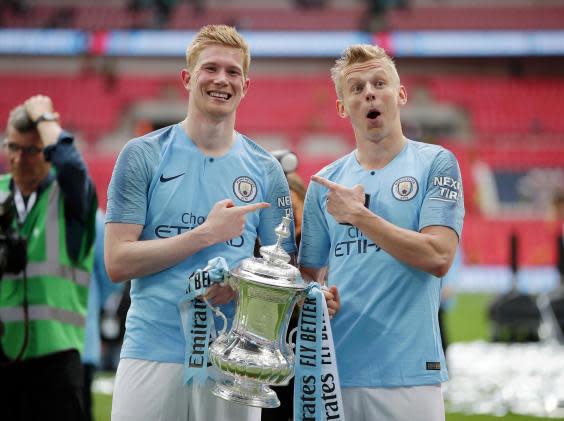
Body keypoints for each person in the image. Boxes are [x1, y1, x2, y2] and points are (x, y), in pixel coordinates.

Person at [105, 25, 297, 421]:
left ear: (246, 85)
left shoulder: (266, 170)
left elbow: (284, 274)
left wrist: (241, 288)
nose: (221, 80)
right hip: (151, 347)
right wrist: (205, 235)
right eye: (211, 68)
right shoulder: (142, 155)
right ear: (187, 78)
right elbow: (117, 261)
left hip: (235, 361)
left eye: (233, 72)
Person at [298, 44, 464, 421]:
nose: (369, 92)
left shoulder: (436, 163)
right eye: (356, 88)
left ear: (400, 95)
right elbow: (307, 276)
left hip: (411, 375)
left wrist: (360, 216)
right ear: (343, 107)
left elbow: (439, 256)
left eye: (379, 83)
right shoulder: (325, 185)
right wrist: (315, 293)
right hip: (334, 372)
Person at [0, 95, 97, 420]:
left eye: (31, 150)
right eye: (12, 147)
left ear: (47, 151)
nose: (18, 159)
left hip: (56, 360)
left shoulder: (70, 196)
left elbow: (71, 164)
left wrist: (44, 117)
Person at [82, 209, 123, 421]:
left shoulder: (92, 217)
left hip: (73, 341)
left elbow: (113, 272)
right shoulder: (91, 216)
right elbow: (111, 278)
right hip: (78, 335)